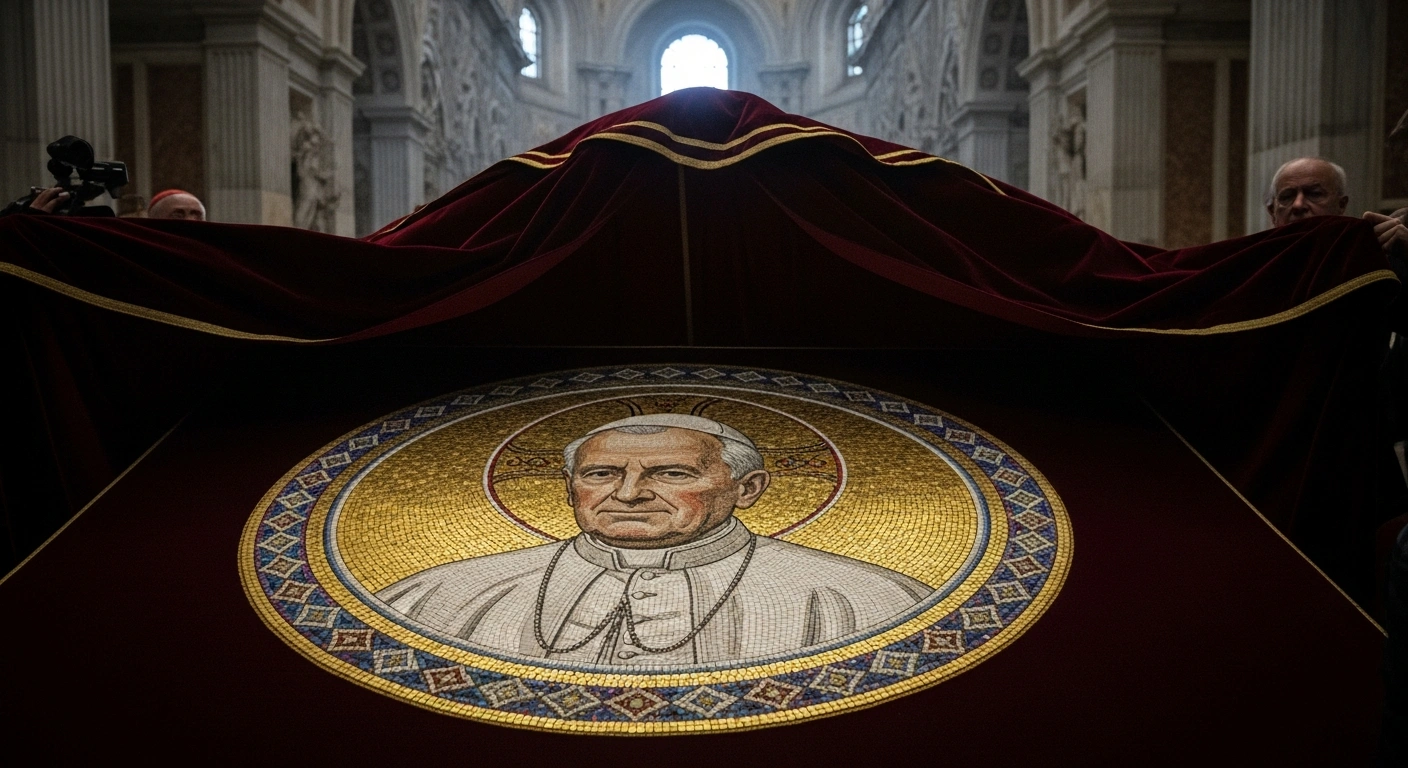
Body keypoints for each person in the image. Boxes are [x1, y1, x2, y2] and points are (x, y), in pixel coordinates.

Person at [377, 414, 933, 668]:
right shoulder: (438, 596)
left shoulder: (867, 599)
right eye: (600, 475)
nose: (630, 493)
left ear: (747, 488)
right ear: (570, 488)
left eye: (671, 474)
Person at [1265, 157, 1407, 255]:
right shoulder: (1250, 268)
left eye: (1314, 194)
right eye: (1287, 197)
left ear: (1341, 205)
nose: (1298, 205)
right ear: (1273, 212)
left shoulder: (1373, 258)